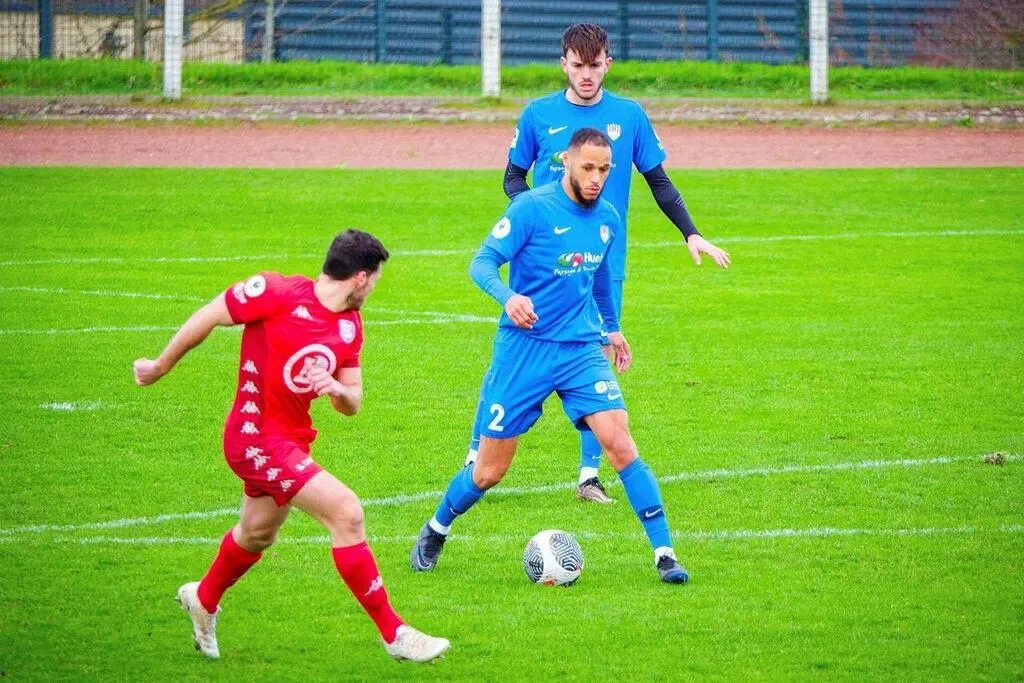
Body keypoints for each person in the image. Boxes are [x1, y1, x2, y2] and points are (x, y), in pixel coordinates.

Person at [132, 229, 450, 663]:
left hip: (292, 440)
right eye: (375, 280)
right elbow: (209, 314)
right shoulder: (275, 292)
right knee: (347, 513)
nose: (373, 289)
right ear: (360, 277)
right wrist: (160, 366)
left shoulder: (350, 326)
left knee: (257, 533)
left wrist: (336, 388)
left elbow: (352, 403)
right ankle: (395, 633)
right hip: (254, 436)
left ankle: (203, 599)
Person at [463, 22, 731, 505]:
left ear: (608, 63)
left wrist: (691, 232)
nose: (586, 74)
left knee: (597, 355)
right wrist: (538, 224)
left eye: (594, 65)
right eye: (577, 65)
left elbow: (659, 181)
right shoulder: (538, 114)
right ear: (563, 64)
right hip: (540, 267)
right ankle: (476, 453)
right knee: (509, 358)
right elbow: (512, 179)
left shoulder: (629, 116)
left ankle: (589, 477)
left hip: (601, 263)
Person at [412, 128, 689, 584]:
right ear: (566, 162)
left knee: (620, 443)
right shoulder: (531, 208)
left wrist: (612, 328)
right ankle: (436, 529)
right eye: (588, 167)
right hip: (524, 350)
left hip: (580, 349)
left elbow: (600, 277)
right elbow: (482, 262)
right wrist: (508, 298)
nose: (596, 178)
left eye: (604, 169)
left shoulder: (608, 217)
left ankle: (665, 555)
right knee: (489, 471)